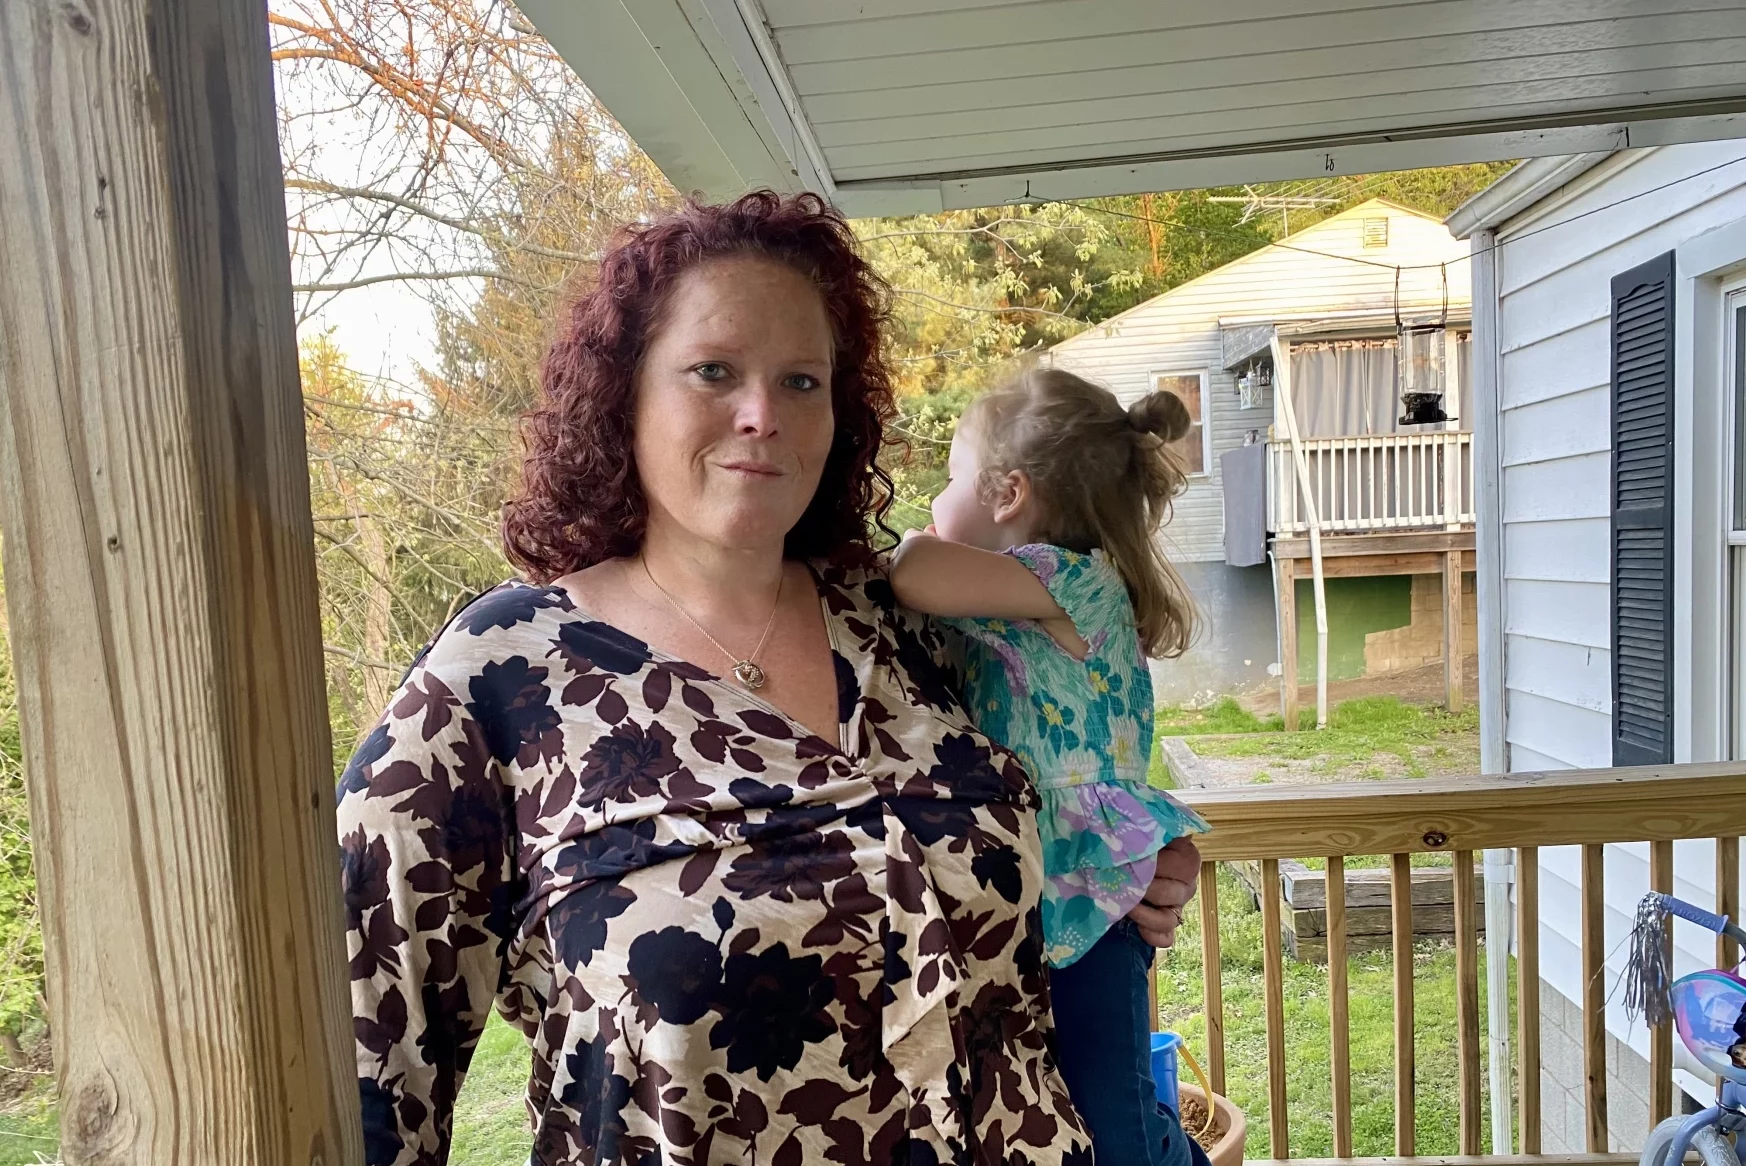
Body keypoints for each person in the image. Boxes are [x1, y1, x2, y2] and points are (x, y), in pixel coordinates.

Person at [335, 192, 1201, 1166]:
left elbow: (1060, 762)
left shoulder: (907, 625)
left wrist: (1137, 859)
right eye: (713, 370)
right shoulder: (502, 676)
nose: (762, 415)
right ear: (625, 395)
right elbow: (359, 1058)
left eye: (801, 379)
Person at [890, 367, 1213, 1166]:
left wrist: (904, 541)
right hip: (1046, 884)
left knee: (1117, 1122)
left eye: (952, 477)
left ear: (1007, 492)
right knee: (1074, 1099)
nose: (939, 495)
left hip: (1089, 887)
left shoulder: (1075, 580)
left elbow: (912, 572)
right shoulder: (1021, 598)